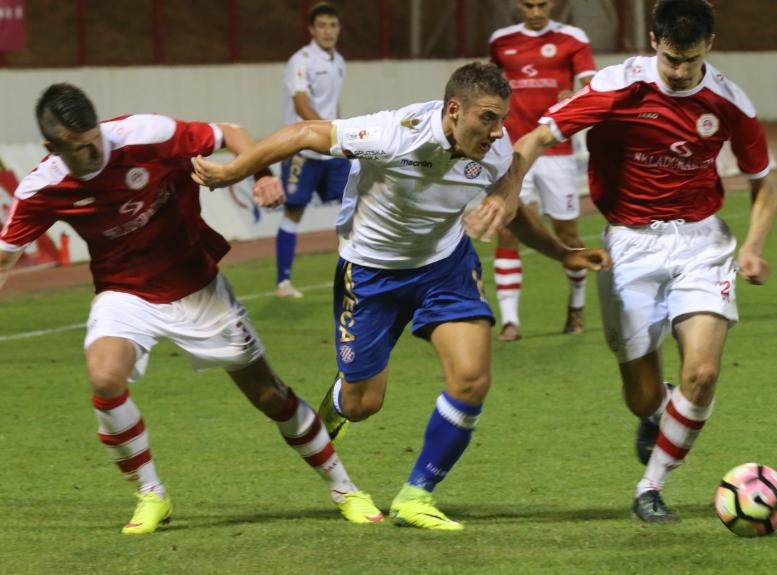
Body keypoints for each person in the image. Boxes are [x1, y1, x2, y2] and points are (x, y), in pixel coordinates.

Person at [193, 62, 611, 530]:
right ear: (454, 111)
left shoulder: (493, 149)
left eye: (502, 119)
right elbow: (305, 132)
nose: (498, 132)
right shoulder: (395, 133)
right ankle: (340, 399)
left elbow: (510, 197)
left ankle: (416, 495)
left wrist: (563, 254)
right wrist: (235, 171)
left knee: (472, 378)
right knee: (363, 404)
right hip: (372, 274)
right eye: (488, 118)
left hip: (445, 267)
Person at [0, 83, 383, 535]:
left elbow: (230, 132)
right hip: (124, 293)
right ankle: (151, 494)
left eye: (95, 140)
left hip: (195, 285)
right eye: (79, 149)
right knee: (104, 377)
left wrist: (260, 174)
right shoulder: (43, 187)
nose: (93, 153)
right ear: (52, 148)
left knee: (270, 396)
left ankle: (345, 489)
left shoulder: (144, 134)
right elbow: (6, 259)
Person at [505, 0, 777, 522]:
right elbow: (538, 136)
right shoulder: (617, 86)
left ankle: (649, 487)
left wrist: (752, 247)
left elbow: (764, 183)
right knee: (641, 396)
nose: (679, 72)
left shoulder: (729, 102)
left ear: (709, 46)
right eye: (672, 59)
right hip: (629, 245)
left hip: (702, 244)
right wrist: (508, 190)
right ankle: (661, 410)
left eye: (691, 60)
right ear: (654, 42)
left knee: (703, 372)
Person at [489, 0, 596, 341]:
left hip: (557, 150)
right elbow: (490, 88)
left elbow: (592, 86)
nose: (536, 12)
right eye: (528, 5)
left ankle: (576, 306)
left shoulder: (573, 38)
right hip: (514, 151)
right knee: (508, 228)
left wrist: (574, 96)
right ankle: (510, 321)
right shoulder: (501, 41)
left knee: (567, 235)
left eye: (542, 4)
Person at [275, 1, 350, 299]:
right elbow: (301, 104)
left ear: (339, 29)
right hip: (303, 149)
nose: (328, 31)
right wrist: (329, 129)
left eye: (333, 25)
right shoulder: (300, 61)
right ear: (311, 30)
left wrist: (340, 130)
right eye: (322, 26)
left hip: (331, 147)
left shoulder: (339, 61)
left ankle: (357, 275)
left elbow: (334, 104)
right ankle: (283, 283)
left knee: (355, 206)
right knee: (293, 211)